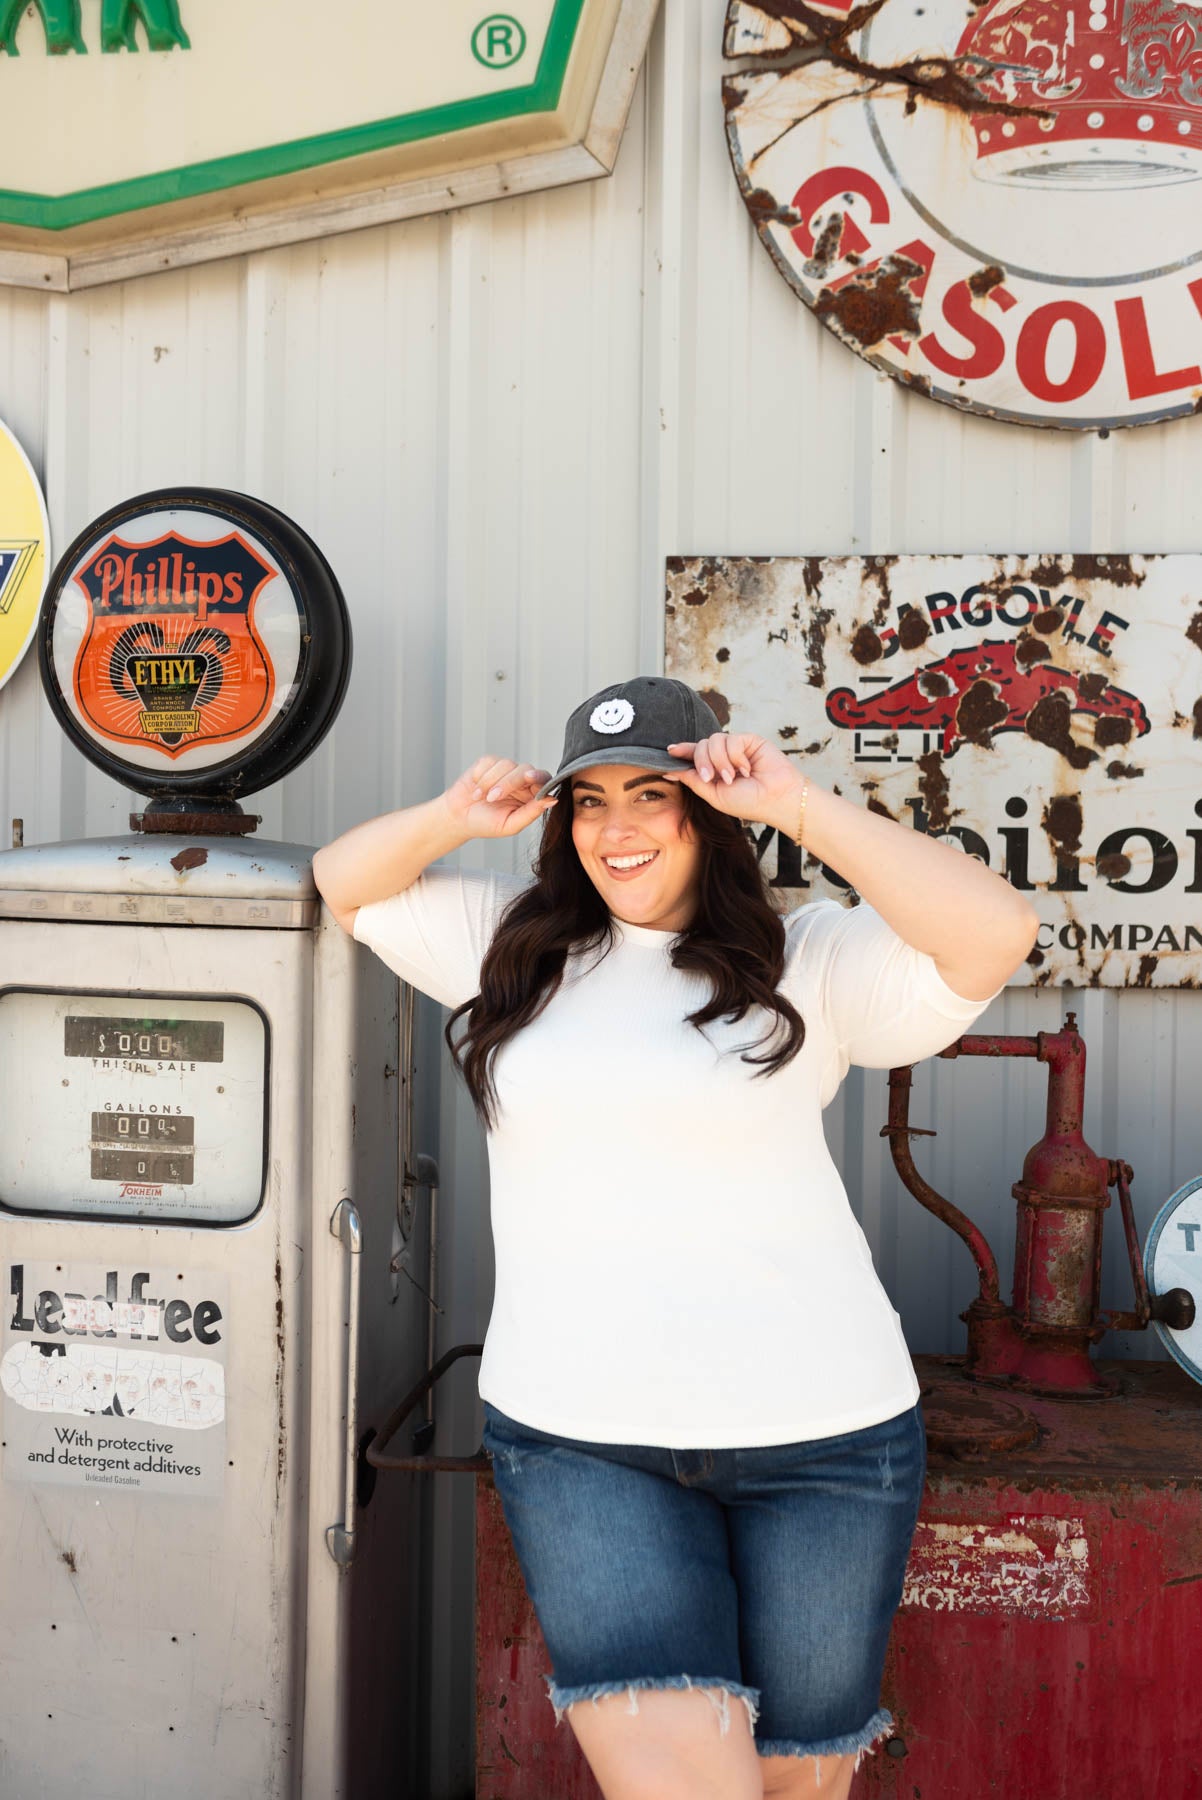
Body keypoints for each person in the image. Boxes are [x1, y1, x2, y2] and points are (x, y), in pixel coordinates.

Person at [313, 675, 1039, 1800]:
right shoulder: (509, 949)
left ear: (708, 807)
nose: (616, 827)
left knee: (799, 1785)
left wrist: (800, 806)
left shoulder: (808, 959)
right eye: (589, 800)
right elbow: (343, 884)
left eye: (650, 793)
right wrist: (456, 815)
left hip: (827, 1442)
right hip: (579, 1442)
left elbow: (996, 932)